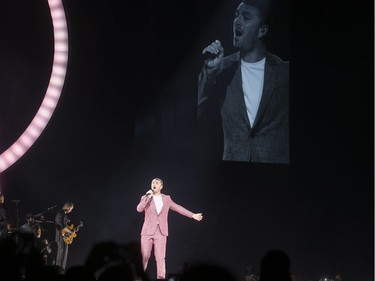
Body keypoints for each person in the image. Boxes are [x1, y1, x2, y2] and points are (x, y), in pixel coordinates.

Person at [197, 0, 289, 164]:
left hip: (275, 171)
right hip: (233, 168)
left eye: (246, 17)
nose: (237, 21)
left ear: (262, 30)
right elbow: (199, 111)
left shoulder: (283, 71)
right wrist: (210, 73)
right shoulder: (222, 68)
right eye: (236, 15)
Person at [136, 178, 203, 280]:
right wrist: (147, 198)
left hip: (161, 232)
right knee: (144, 256)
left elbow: (178, 207)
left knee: (160, 258)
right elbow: (139, 209)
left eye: (156, 183)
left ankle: (161, 278)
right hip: (147, 232)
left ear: (161, 186)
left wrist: (192, 215)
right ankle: (138, 278)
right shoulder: (145, 197)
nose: (154, 184)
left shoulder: (166, 199)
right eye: (153, 182)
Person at [54, 201, 74, 273]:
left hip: (63, 238)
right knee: (61, 257)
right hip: (61, 238)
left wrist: (71, 231)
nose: (71, 211)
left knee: (62, 258)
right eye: (71, 209)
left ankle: (60, 272)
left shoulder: (63, 214)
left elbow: (65, 227)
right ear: (68, 208)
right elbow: (63, 227)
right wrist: (71, 232)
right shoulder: (60, 214)